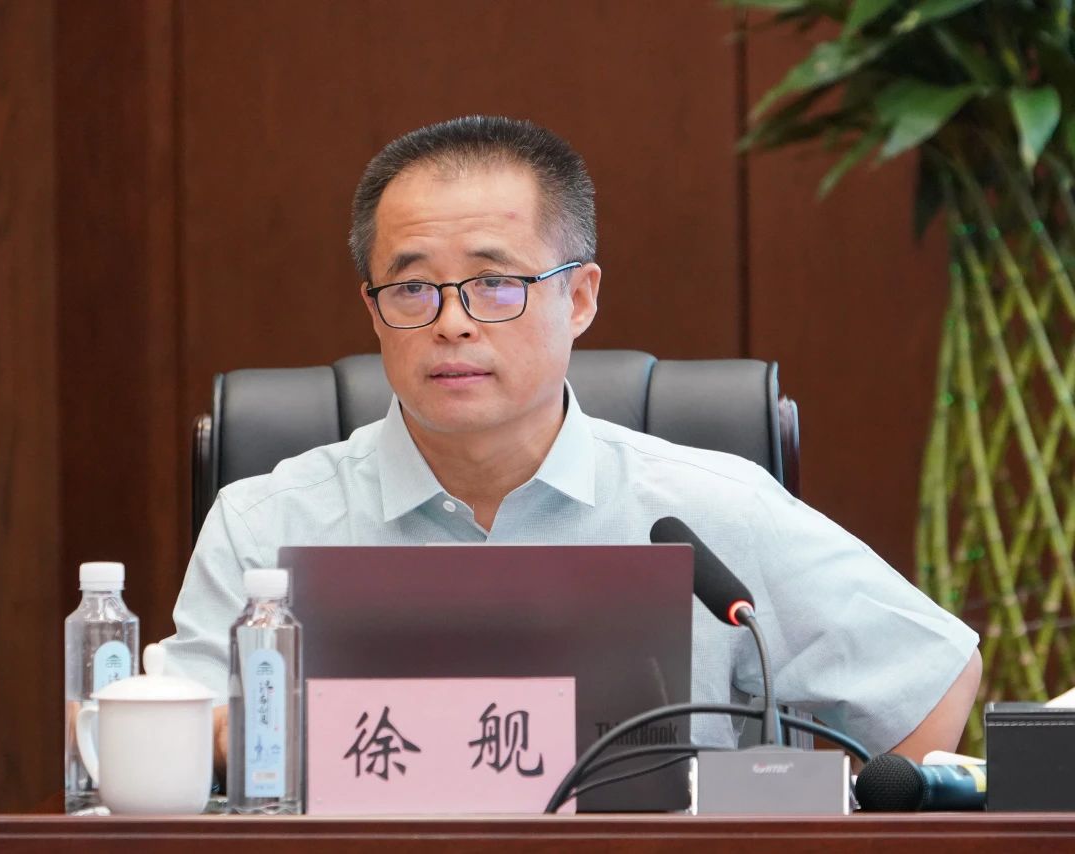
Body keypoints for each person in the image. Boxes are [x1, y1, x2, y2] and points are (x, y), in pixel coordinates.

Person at [161, 115, 982, 775]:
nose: (452, 321)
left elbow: (932, 680)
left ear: (580, 298)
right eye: (411, 287)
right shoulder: (265, 522)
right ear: (374, 310)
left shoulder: (708, 512)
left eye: (495, 283)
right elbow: (172, 734)